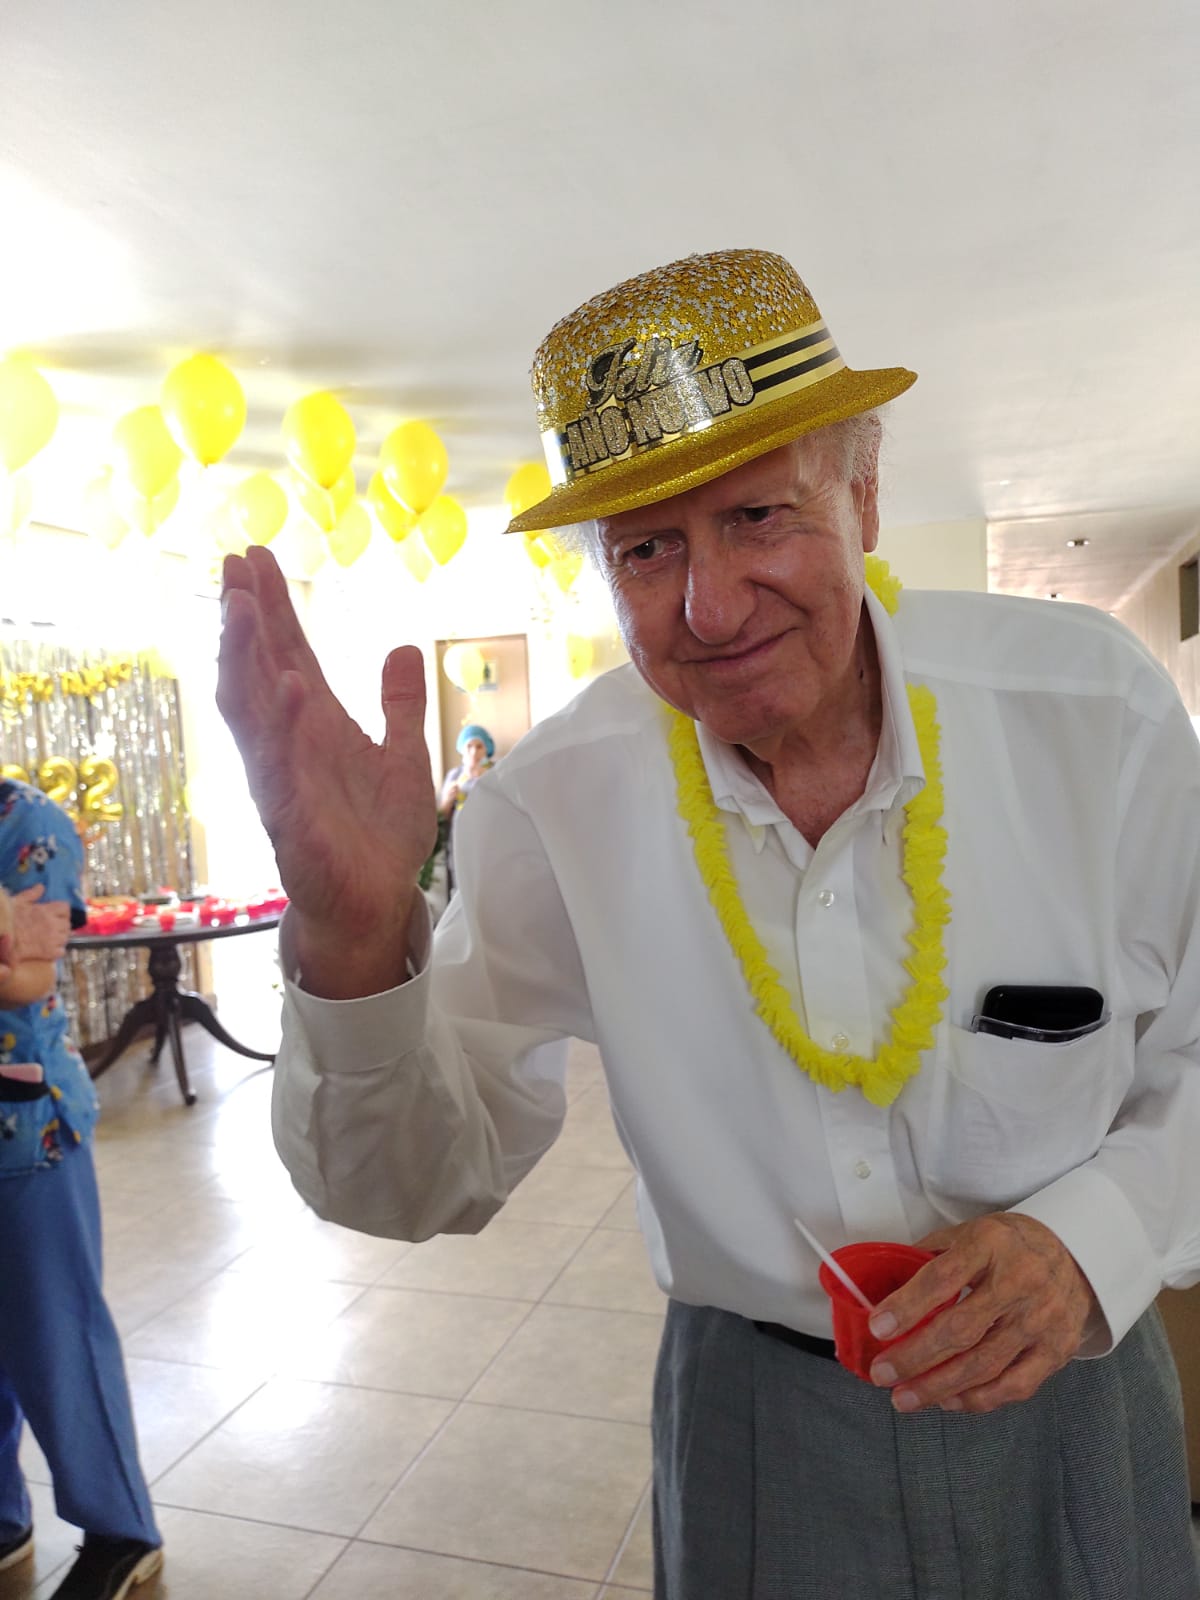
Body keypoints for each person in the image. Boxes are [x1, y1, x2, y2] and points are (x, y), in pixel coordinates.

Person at [217, 248, 1200, 1597]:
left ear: (862, 495)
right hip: (759, 1430)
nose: (709, 604)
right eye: (647, 548)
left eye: (755, 515)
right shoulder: (553, 804)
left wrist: (1092, 1237)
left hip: (1075, 1394)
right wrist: (349, 937)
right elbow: (415, 1184)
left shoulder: (1092, 714)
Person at [0, 778, 163, 1600]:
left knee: (56, 1335)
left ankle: (120, 1531)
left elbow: (26, 977)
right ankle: (4, 1520)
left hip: (27, 1133)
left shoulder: (27, 822)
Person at [437, 724, 495, 894]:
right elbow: (441, 815)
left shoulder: (496, 772)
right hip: (459, 839)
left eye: (479, 746)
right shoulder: (454, 776)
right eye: (469, 746)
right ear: (462, 749)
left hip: (489, 838)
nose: (474, 752)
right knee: (462, 886)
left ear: (487, 749)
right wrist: (448, 799)